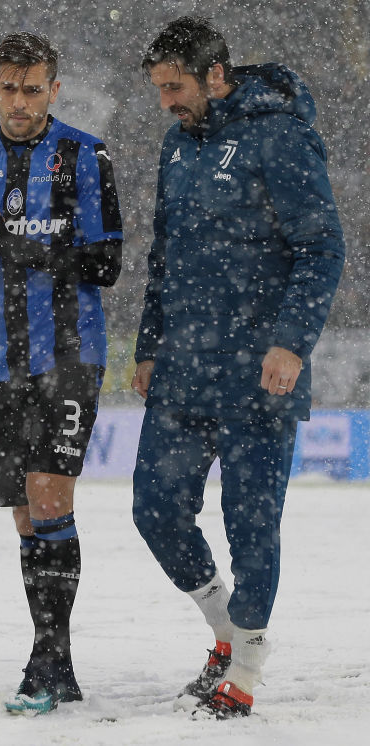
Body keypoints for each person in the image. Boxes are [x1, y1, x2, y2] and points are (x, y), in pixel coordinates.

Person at [131, 16, 346, 719]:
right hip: (184, 369)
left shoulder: (279, 135)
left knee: (251, 525)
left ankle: (246, 665)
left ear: (215, 75)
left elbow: (321, 248)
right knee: (155, 508)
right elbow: (164, 257)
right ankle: (225, 630)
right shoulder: (176, 147)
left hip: (260, 373)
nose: (166, 101)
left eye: (176, 86)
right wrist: (148, 343)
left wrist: (290, 341)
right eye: (159, 88)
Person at [0, 32, 123, 715]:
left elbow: (106, 265)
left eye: (34, 88)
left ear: (55, 88)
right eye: (10, 88)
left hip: (70, 355)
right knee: (26, 514)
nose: (21, 102)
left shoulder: (84, 155)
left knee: (49, 494)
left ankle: (45, 661)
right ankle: (58, 661)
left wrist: (16, 242)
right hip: (0, 361)